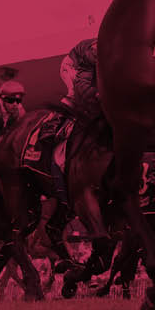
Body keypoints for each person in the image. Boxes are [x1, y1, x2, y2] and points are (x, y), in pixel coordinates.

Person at [31, 38, 98, 246]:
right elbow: (87, 88)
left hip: (88, 67)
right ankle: (51, 124)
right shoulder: (95, 54)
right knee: (75, 95)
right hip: (72, 67)